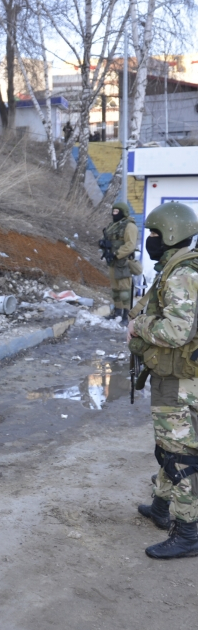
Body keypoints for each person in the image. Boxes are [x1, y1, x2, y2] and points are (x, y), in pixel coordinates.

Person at [128, 201, 198, 559]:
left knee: (179, 455)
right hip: (175, 375)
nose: (151, 239)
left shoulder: (181, 273)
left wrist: (138, 327)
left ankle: (188, 533)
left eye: (155, 233)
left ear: (172, 233)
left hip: (178, 379)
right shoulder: (175, 268)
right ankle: (160, 506)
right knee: (169, 449)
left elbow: (176, 331)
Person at [100, 201, 139, 326]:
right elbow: (111, 239)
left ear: (123, 213)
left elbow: (130, 245)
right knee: (115, 289)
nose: (114, 214)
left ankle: (127, 316)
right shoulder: (114, 225)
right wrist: (104, 244)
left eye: (117, 212)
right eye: (113, 211)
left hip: (123, 261)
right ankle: (117, 312)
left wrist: (116, 254)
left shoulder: (129, 226)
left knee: (124, 290)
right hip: (112, 261)